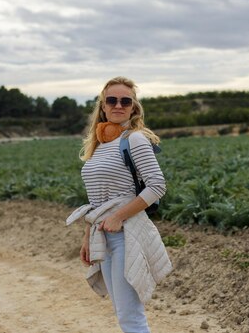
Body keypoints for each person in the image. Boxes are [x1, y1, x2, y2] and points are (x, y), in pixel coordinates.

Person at [66, 76, 172, 333]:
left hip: (127, 235)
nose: (118, 105)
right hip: (102, 235)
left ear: (133, 108)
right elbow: (96, 200)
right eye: (111, 100)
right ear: (103, 106)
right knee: (122, 312)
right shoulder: (99, 145)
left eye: (125, 101)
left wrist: (118, 217)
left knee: (130, 316)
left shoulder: (134, 139)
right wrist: (87, 236)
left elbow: (157, 186)